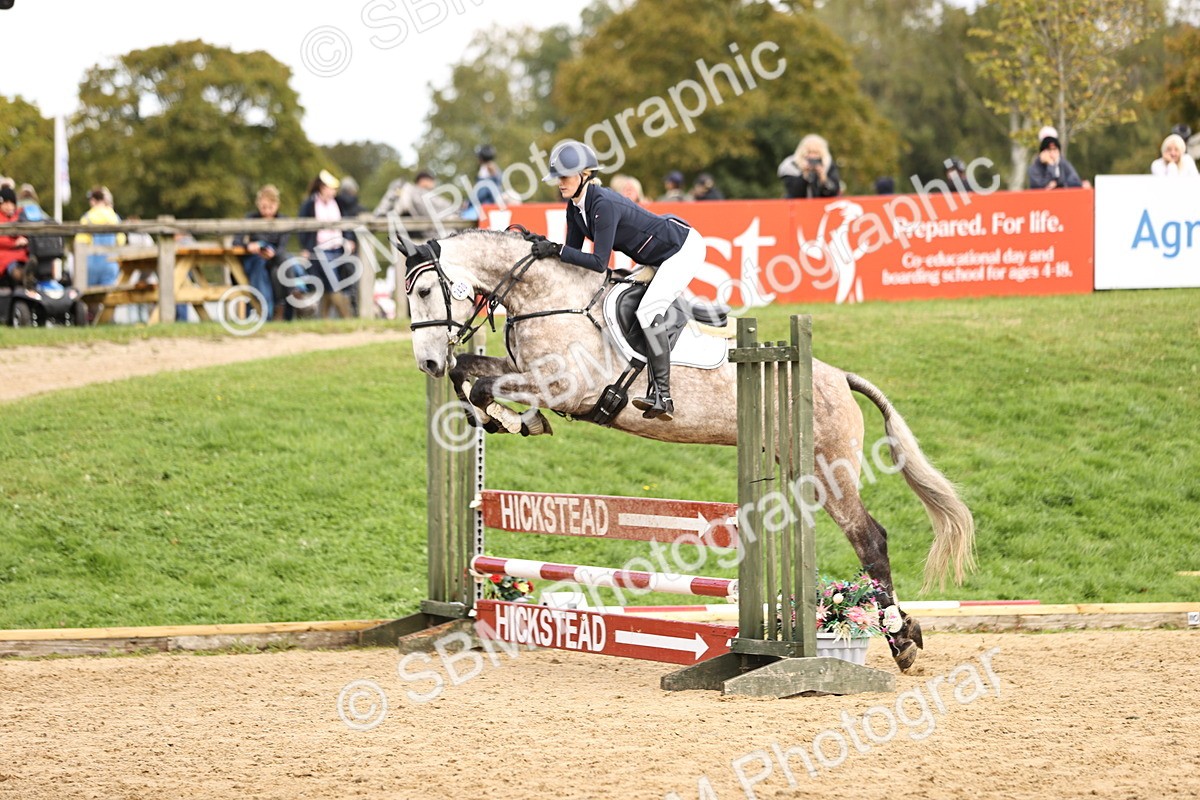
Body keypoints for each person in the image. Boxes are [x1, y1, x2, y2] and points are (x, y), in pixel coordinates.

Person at [530, 140, 708, 421]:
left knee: (648, 311)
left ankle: (663, 395)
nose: (559, 183)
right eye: (557, 177)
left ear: (584, 175)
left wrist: (557, 250)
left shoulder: (603, 204)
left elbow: (600, 263)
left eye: (564, 176)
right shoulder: (574, 208)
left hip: (681, 249)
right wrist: (548, 252)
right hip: (656, 255)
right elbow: (573, 259)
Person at [298, 170, 356, 319]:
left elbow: (345, 221)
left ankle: (324, 319)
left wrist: (348, 239)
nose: (334, 191)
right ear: (322, 188)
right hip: (320, 250)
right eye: (331, 188)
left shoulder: (338, 203)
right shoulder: (310, 204)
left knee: (330, 285)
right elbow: (302, 226)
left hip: (338, 249)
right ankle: (346, 317)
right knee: (333, 283)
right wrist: (305, 247)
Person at [233, 184, 295, 321]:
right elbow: (236, 242)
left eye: (270, 207)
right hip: (257, 260)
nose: (266, 211)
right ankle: (273, 309)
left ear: (277, 205)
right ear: (258, 204)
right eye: (263, 207)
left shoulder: (284, 221)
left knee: (280, 268)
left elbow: (282, 246)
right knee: (265, 266)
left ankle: (281, 311)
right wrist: (248, 246)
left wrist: (273, 253)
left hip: (276, 259)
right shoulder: (250, 218)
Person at [75, 186, 126, 286]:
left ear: (93, 200)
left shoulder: (87, 218)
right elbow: (121, 241)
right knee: (108, 298)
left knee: (89, 299)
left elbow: (80, 242)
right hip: (110, 264)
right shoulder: (114, 217)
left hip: (91, 265)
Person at [778, 134, 840, 198]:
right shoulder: (792, 166)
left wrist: (823, 179)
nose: (812, 156)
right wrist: (804, 175)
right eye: (809, 152)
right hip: (797, 206)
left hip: (821, 206)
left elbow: (834, 192)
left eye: (816, 153)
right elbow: (793, 193)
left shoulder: (828, 166)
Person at [373, 171, 455, 218]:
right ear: (423, 180)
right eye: (431, 180)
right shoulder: (412, 190)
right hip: (419, 230)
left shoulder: (409, 189)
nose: (433, 183)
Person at [0, 185, 29, 289]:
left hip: (21, 255)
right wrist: (15, 243)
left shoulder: (20, 215)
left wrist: (24, 240)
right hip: (5, 256)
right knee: (13, 267)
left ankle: (28, 275)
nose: (9, 206)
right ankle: (25, 277)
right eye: (6, 203)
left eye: (11, 203)